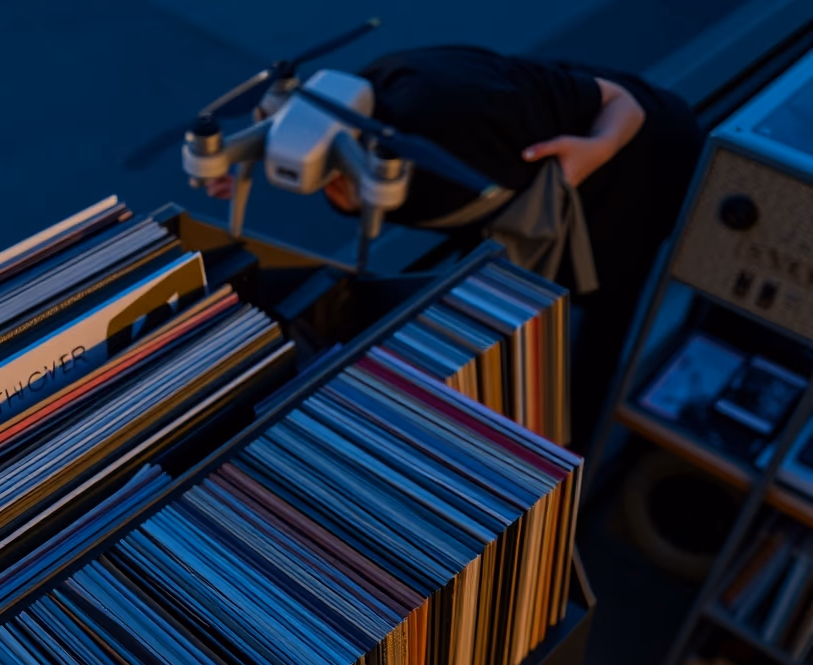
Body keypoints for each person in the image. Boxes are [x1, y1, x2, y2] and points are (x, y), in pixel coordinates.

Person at [206, 45, 706, 453]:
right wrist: (239, 161)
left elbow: (623, 103)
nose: (330, 192)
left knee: (600, 311)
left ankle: (571, 443)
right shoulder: (340, 123)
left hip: (631, 163)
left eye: (333, 177)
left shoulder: (464, 112)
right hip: (510, 198)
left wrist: (591, 154)